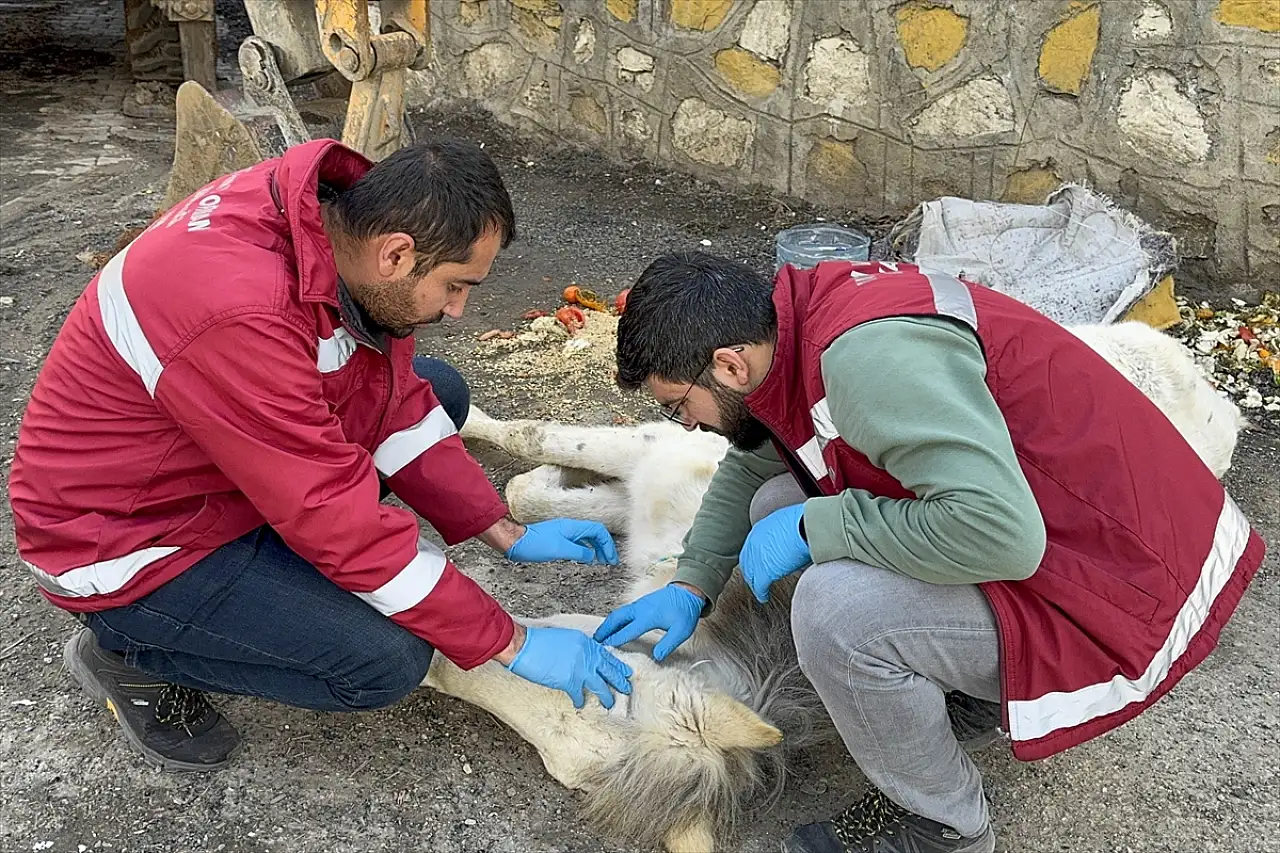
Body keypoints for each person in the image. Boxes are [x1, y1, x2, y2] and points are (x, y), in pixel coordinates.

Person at [593, 251, 1264, 853]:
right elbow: (755, 459)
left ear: (730, 363)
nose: (683, 424)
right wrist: (693, 583)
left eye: (680, 404)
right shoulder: (798, 321)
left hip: (1123, 586)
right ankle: (956, 693)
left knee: (833, 609)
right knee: (775, 503)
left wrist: (814, 529)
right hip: (1087, 532)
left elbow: (1004, 534)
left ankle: (945, 825)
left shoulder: (866, 363)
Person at [8, 137, 632, 772]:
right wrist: (512, 641)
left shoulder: (328, 225)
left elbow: (391, 399)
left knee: (440, 391)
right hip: (124, 542)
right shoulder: (240, 311)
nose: (458, 308)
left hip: (210, 478)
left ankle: (267, 584)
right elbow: (336, 522)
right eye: (456, 285)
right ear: (396, 253)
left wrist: (500, 529)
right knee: (386, 662)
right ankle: (124, 650)